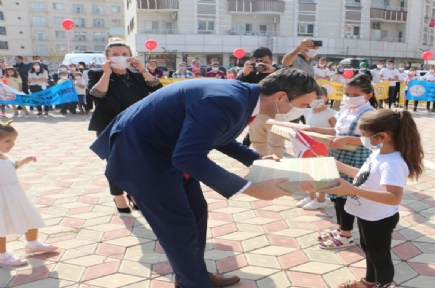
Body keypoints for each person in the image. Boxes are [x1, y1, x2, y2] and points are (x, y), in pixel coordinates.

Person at [89, 68, 320, 288]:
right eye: (303, 105)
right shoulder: (228, 100)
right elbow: (189, 158)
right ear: (280, 96)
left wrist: (256, 159)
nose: (302, 111)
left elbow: (218, 136)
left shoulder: (243, 97)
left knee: (197, 213)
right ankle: (194, 282)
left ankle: (192, 275)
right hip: (144, 159)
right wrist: (255, 189)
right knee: (178, 228)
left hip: (171, 153)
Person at [323, 109, 423, 288]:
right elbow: (364, 175)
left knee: (379, 257)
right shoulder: (380, 152)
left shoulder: (393, 163)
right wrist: (333, 163)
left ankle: (382, 284)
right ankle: (369, 282)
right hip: (367, 214)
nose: (363, 139)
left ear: (382, 136)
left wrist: (351, 190)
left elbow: (394, 198)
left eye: (365, 135)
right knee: (369, 251)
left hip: (378, 218)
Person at [88, 38, 163, 213]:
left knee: (139, 162)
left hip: (138, 125)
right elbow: (96, 96)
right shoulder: (97, 73)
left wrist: (142, 69)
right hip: (110, 126)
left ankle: (133, 193)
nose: (120, 58)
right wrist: (106, 73)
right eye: (115, 55)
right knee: (116, 163)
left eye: (124, 54)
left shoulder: (137, 75)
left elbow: (157, 89)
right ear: (106, 57)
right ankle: (118, 197)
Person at [303, 74, 377, 250]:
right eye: (347, 94)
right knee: (336, 195)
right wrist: (313, 129)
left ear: (368, 95)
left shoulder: (369, 114)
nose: (350, 98)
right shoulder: (345, 110)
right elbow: (336, 131)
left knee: (346, 196)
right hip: (338, 155)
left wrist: (348, 139)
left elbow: (374, 139)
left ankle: (346, 234)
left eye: (355, 94)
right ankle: (340, 228)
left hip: (356, 157)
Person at [0, 121, 58, 267]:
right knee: (1, 225)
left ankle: (32, 243)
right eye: (7, 141)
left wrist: (23, 162)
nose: (11, 144)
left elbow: (10, 167)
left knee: (29, 216)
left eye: (13, 141)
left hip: (15, 193)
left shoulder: (4, 156)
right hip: (2, 195)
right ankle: (2, 255)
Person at [296, 89, 336, 210]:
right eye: (313, 97)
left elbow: (336, 130)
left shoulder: (331, 114)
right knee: (309, 173)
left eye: (319, 97)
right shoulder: (307, 111)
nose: (315, 100)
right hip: (309, 147)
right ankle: (311, 196)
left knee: (322, 174)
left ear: (326, 98)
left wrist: (315, 129)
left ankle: (321, 199)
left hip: (324, 149)